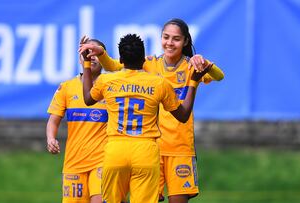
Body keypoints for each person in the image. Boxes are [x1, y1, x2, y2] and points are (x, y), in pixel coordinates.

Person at [78, 18, 225, 203]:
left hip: (179, 147)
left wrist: (206, 63)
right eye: (166, 37)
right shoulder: (150, 63)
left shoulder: (191, 65)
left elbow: (219, 76)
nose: (169, 43)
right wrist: (102, 53)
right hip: (152, 146)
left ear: (186, 41)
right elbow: (114, 66)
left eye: (176, 39)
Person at [46, 38, 108, 203]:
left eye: (96, 52)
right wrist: (51, 138)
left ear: (104, 58)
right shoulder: (66, 87)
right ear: (80, 57)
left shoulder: (111, 87)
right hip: (74, 162)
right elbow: (53, 120)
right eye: (87, 52)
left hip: (103, 160)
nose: (92, 56)